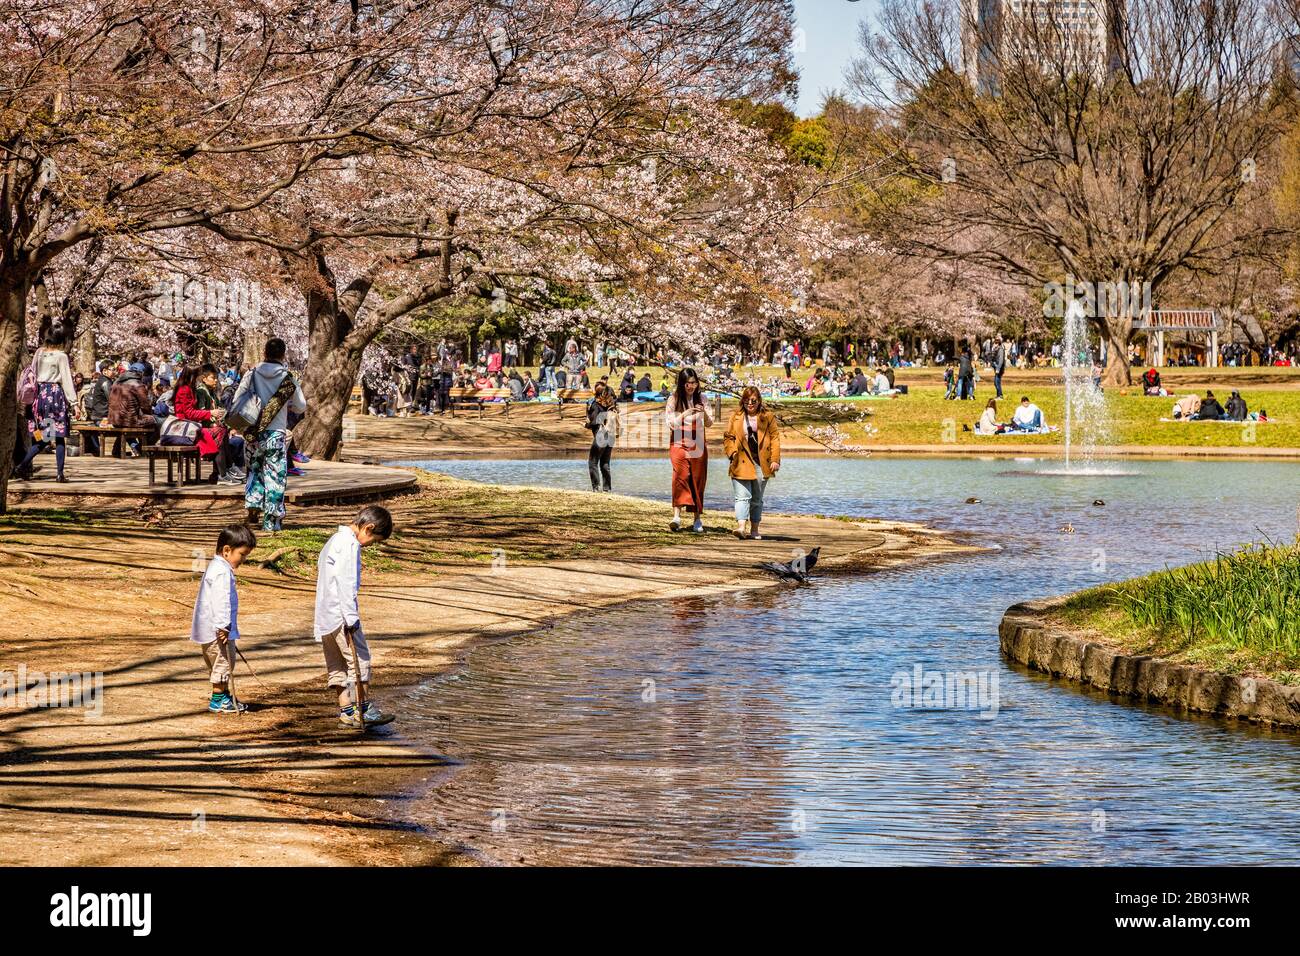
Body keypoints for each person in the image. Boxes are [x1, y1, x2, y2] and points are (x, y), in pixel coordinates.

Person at [314, 505, 395, 728]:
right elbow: (346, 584)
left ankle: (347, 712)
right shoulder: (349, 545)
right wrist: (351, 619)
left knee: (338, 664)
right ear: (368, 528)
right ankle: (363, 708)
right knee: (359, 660)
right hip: (342, 616)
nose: (372, 545)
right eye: (375, 540)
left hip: (325, 615)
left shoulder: (334, 540)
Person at [230, 338, 307, 532]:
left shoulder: (252, 373)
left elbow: (237, 399)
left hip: (253, 432)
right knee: (275, 476)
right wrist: (285, 404)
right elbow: (301, 406)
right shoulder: (287, 378)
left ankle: (253, 509)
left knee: (254, 471)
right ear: (283, 354)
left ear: (264, 352)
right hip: (276, 433)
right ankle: (271, 519)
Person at [189, 524, 257, 714]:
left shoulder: (216, 567)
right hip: (218, 630)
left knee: (222, 663)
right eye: (242, 554)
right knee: (223, 663)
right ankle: (218, 700)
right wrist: (223, 626)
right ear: (227, 550)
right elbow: (221, 601)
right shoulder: (221, 572)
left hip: (210, 629)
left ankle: (225, 696)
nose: (243, 560)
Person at [14, 325, 77, 482]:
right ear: (62, 340)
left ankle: (22, 466)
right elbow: (66, 380)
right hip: (54, 396)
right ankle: (58, 474)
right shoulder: (61, 356)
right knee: (59, 436)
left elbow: (32, 373)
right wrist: (74, 403)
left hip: (39, 397)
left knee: (44, 436)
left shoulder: (39, 353)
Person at [724, 386, 781, 540]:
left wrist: (775, 459)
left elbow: (775, 438)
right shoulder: (736, 417)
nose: (750, 403)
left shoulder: (767, 416)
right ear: (743, 401)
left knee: (756, 498)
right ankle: (741, 527)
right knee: (742, 496)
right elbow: (729, 437)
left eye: (753, 400)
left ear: (759, 401)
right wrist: (732, 453)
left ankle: (754, 529)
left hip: (761, 462)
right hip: (741, 460)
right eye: (747, 400)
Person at [665, 367, 712, 533]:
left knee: (698, 479)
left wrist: (703, 413)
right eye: (687, 383)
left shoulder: (703, 398)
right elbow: (671, 424)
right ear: (681, 384)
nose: (691, 386)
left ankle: (697, 518)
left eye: (693, 383)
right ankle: (676, 516)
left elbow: (709, 423)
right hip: (678, 441)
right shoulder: (674, 399)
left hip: (698, 442)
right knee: (680, 475)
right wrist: (685, 413)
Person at [585, 383, 619, 491]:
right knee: (605, 463)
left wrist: (587, 425)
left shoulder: (596, 405)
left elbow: (596, 420)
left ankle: (596, 487)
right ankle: (607, 488)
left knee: (592, 462)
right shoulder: (611, 405)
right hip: (611, 436)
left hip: (601, 435)